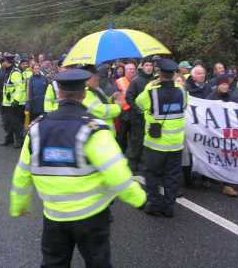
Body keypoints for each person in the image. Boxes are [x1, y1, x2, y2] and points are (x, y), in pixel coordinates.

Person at [9, 69, 146, 268]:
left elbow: (22, 172)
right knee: (98, 263)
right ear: (83, 94)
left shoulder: (37, 129)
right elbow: (117, 174)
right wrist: (140, 200)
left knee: (54, 264)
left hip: (54, 216)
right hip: (92, 217)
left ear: (58, 94)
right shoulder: (94, 129)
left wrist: (18, 204)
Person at [136, 59, 187, 218]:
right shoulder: (182, 91)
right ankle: (169, 207)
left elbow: (139, 103)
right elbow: (184, 106)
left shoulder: (151, 90)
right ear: (173, 75)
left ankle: (154, 205)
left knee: (152, 175)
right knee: (172, 176)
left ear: (159, 74)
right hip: (176, 144)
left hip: (155, 144)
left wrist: (151, 85)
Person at [207, 75, 238, 197]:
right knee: (216, 156)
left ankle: (227, 185)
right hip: (215, 133)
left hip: (228, 132)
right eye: (222, 84)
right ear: (218, 85)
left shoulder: (231, 97)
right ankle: (211, 177)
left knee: (228, 156)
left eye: (226, 84)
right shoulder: (211, 98)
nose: (225, 86)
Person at [125, 58, 155, 172]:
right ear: (142, 67)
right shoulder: (136, 81)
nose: (149, 67)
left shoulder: (155, 80)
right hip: (138, 119)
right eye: (146, 65)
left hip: (152, 118)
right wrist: (138, 110)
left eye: (150, 65)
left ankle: (144, 168)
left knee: (148, 144)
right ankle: (131, 168)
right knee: (136, 143)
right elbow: (129, 97)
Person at [82, 65, 122, 133]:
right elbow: (101, 110)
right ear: (87, 79)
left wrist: (112, 98)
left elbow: (104, 102)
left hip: (107, 132)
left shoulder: (97, 89)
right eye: (95, 76)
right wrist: (118, 106)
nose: (98, 78)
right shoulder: (85, 94)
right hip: (101, 133)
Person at [0, 54, 26, 148]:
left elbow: (19, 88)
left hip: (15, 103)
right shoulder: (8, 71)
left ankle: (20, 141)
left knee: (16, 123)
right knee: (8, 122)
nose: (2, 63)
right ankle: (9, 139)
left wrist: (16, 100)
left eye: (3, 61)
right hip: (8, 102)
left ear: (8, 62)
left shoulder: (15, 73)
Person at [116, 62, 137, 151]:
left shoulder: (137, 81)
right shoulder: (119, 81)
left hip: (135, 111)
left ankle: (132, 152)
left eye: (133, 69)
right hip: (123, 112)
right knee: (122, 135)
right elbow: (115, 97)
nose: (132, 71)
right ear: (125, 71)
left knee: (134, 135)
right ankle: (122, 152)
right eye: (129, 69)